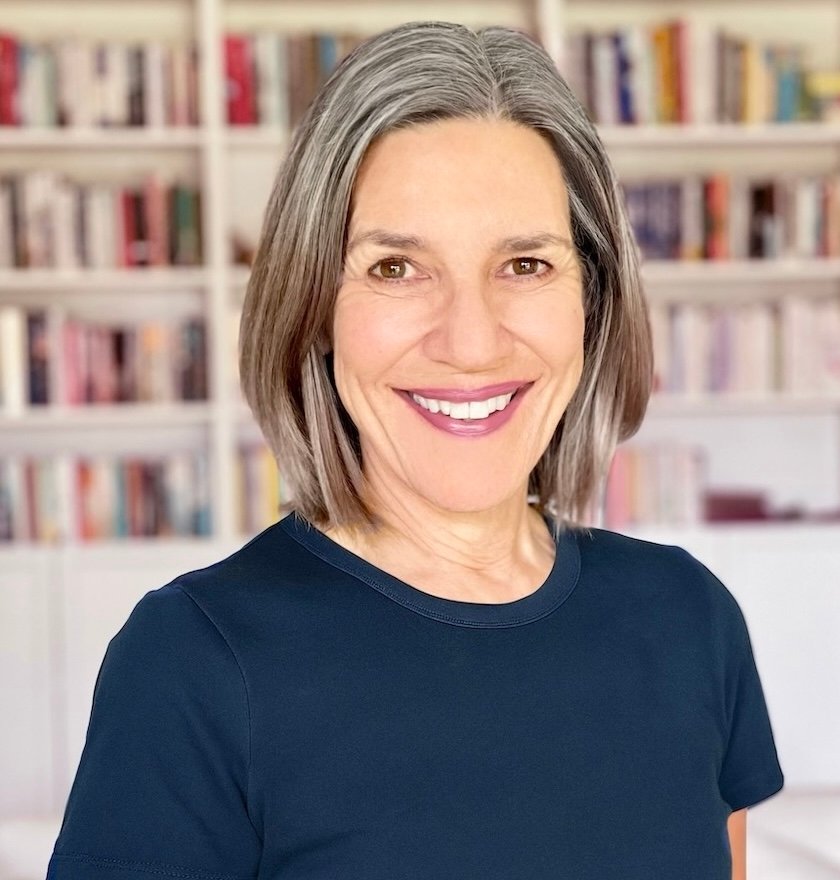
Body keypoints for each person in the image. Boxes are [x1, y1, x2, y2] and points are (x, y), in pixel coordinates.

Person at [46, 20, 783, 880]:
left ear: (593, 298)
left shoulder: (690, 618)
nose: (470, 343)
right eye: (397, 267)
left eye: (526, 265)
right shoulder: (192, 662)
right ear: (316, 304)